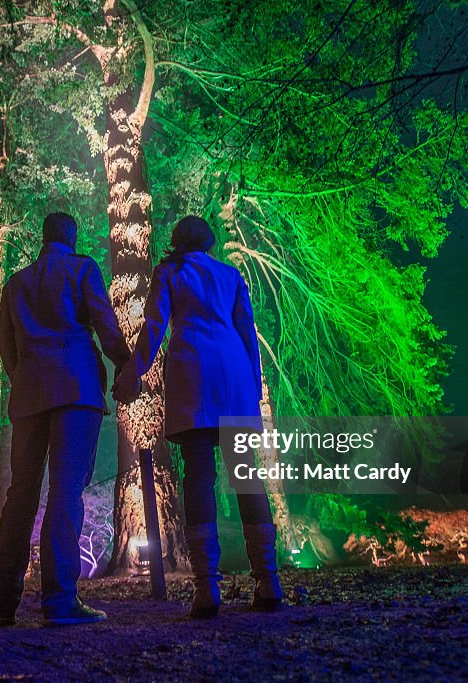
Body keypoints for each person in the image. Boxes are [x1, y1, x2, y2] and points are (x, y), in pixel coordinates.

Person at [112, 215, 283, 618]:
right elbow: (247, 333)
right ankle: (269, 579)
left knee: (199, 475)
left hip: (193, 374)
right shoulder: (229, 274)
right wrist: (252, 386)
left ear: (177, 240)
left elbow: (154, 328)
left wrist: (132, 373)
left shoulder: (170, 271)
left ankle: (207, 586)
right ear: (209, 241)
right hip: (235, 375)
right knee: (245, 475)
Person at [0, 212, 130, 627]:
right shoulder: (83, 269)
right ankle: (60, 601)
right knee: (66, 492)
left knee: (20, 495)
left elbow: (5, 347)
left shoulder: (15, 284)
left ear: (43, 238)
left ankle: (3, 603)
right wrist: (126, 365)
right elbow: (104, 324)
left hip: (29, 394)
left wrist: (25, 378)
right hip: (76, 389)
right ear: (73, 237)